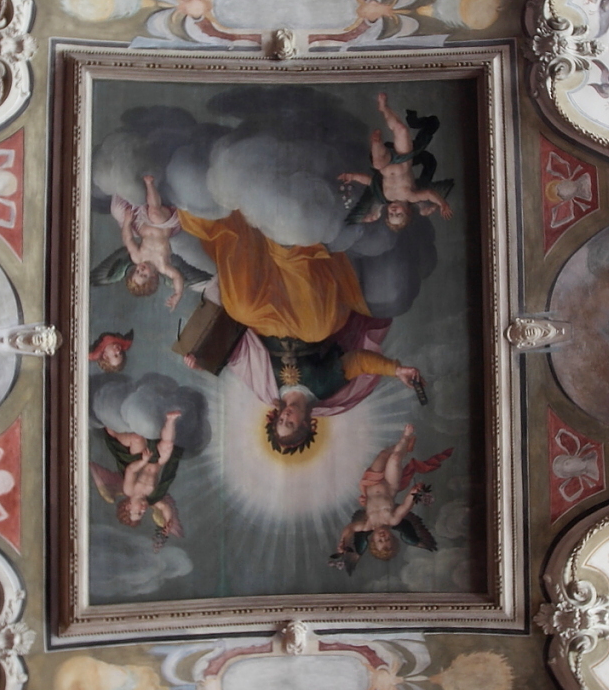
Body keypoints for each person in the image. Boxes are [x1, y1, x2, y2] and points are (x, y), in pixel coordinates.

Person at [135, 175, 425, 454]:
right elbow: (358, 362)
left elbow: (240, 356)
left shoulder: (267, 389)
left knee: (240, 307)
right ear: (306, 424)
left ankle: (239, 224)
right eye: (291, 423)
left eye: (280, 422)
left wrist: (202, 361)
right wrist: (395, 369)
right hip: (310, 320)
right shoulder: (324, 388)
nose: (286, 417)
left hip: (267, 325)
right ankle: (290, 240)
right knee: (318, 326)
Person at [330, 424, 447, 573]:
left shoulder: (367, 525)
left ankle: (405, 446)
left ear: (373, 540)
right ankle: (405, 437)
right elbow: (406, 506)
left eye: (380, 540)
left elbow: (350, 528)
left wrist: (344, 541)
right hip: (390, 484)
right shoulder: (392, 520)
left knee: (384, 454)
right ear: (392, 536)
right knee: (395, 458)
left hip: (370, 482)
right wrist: (415, 493)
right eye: (388, 539)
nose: (383, 537)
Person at [337, 93, 453, 230]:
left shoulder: (384, 197)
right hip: (404, 158)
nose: (393, 211)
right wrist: (442, 203)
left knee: (377, 163)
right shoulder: (412, 197)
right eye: (398, 214)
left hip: (384, 162)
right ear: (407, 211)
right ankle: (384, 108)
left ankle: (376, 142)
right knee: (401, 129)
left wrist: (352, 176)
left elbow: (370, 181)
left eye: (391, 214)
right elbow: (429, 194)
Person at [90, 411, 185, 544]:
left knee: (136, 439)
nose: (143, 510)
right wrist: (168, 522)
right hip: (157, 461)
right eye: (142, 514)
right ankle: (170, 419)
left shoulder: (129, 490)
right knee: (167, 446)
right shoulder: (151, 499)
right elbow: (164, 507)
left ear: (128, 507)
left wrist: (143, 461)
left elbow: (130, 470)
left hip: (138, 458)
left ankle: (110, 428)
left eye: (138, 513)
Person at [109, 176, 188, 308]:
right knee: (154, 214)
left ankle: (123, 179)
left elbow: (128, 239)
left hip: (142, 223)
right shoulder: (163, 266)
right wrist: (178, 293)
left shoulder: (138, 258)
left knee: (117, 210)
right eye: (144, 275)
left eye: (137, 272)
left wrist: (127, 223)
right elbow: (177, 277)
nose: (141, 270)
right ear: (153, 277)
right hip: (163, 225)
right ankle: (149, 182)